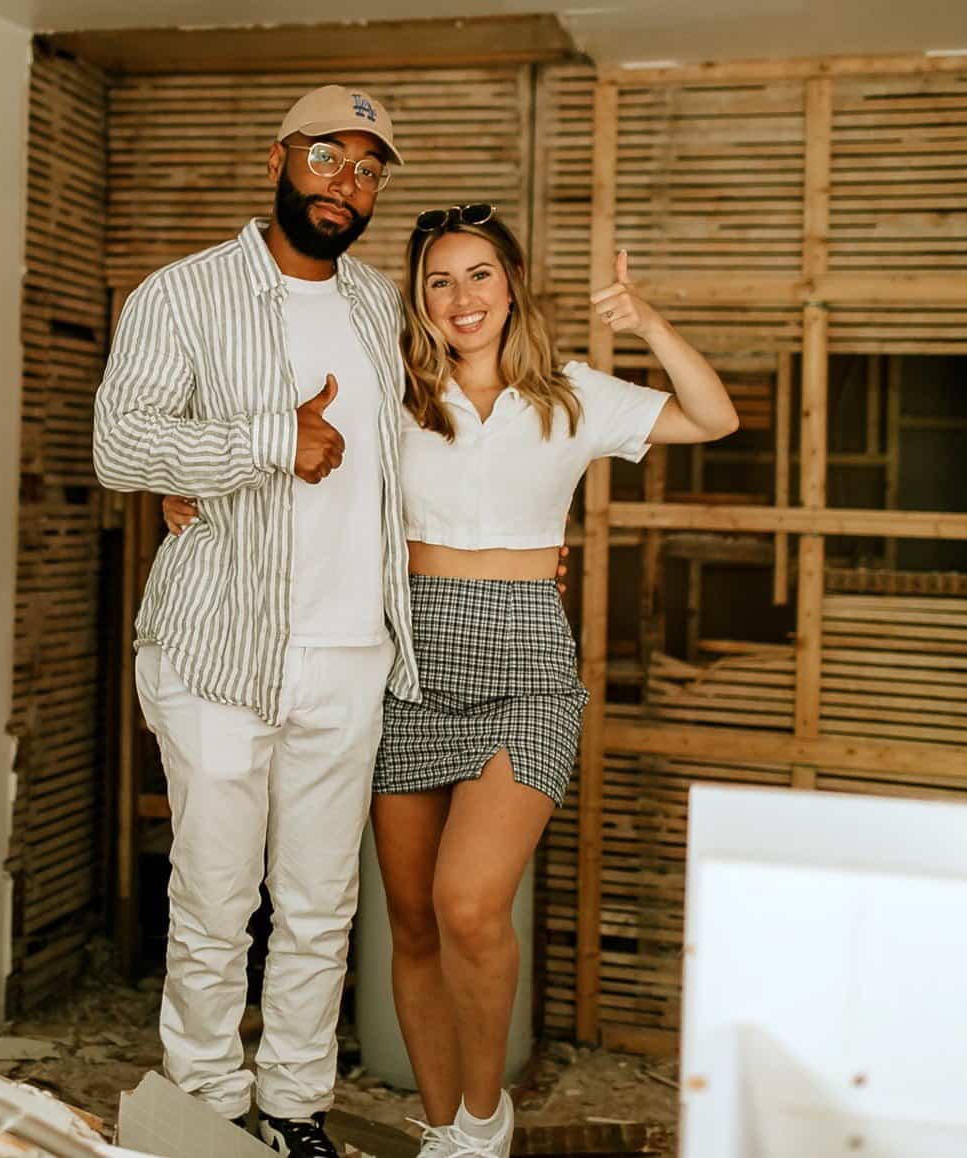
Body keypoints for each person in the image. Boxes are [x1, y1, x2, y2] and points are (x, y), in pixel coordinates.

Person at [162, 209, 739, 1158]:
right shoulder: (389, 393)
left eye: (479, 275)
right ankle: (445, 1133)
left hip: (525, 665)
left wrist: (645, 322)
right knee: (412, 922)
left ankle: (483, 1116)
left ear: (511, 286)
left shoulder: (571, 395)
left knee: (469, 903)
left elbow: (713, 418)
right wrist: (187, 480)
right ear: (418, 298)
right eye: (439, 280)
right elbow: (285, 447)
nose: (461, 297)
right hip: (406, 658)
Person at [92, 84, 420, 1158]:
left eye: (367, 169)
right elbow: (120, 445)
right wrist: (267, 442)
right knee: (214, 901)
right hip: (217, 651)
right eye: (327, 155)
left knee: (321, 907)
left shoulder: (379, 306)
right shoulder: (181, 294)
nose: (346, 182)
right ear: (276, 159)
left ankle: (292, 1110)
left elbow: (422, 449)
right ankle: (206, 1107)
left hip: (350, 650)